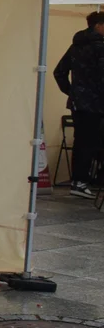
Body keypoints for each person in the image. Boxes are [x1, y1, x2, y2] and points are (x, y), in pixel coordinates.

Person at [54, 10, 104, 199]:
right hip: (96, 104)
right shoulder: (99, 47)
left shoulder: (75, 46)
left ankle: (79, 181)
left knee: (82, 141)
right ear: (98, 26)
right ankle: (82, 181)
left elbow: (59, 72)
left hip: (78, 103)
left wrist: (74, 93)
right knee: (90, 142)